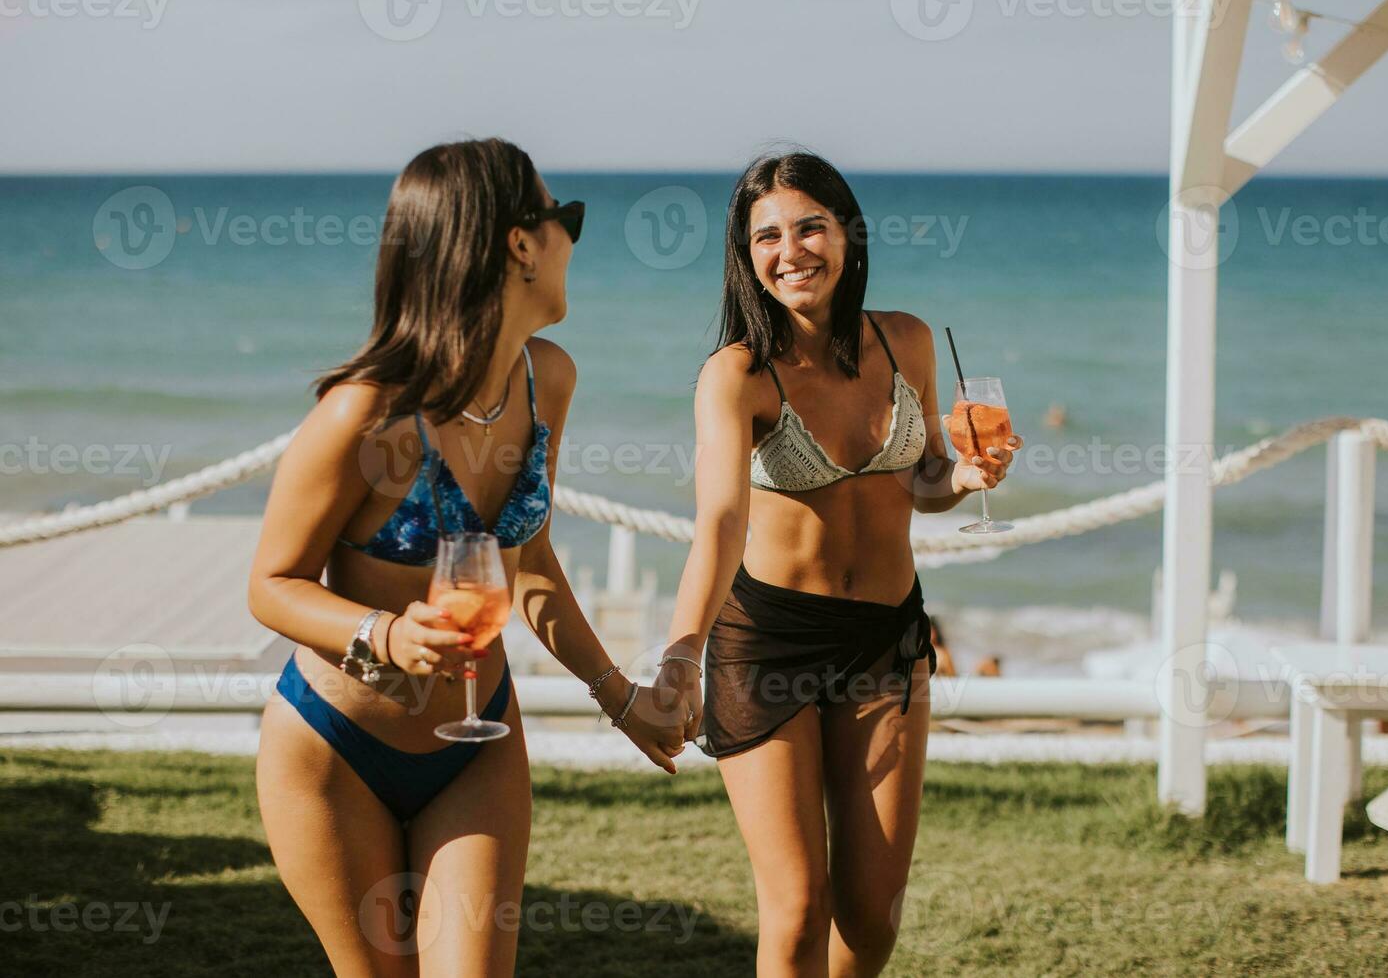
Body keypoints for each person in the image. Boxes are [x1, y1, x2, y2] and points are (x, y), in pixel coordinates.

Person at [247, 138, 685, 978]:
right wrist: (384, 633)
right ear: (521, 242)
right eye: (569, 221)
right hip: (335, 749)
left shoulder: (545, 380)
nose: (572, 243)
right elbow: (271, 584)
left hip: (477, 745)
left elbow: (531, 563)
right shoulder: (365, 415)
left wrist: (618, 694)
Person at [654, 152, 1022, 976]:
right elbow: (718, 522)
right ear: (746, 255)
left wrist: (964, 473)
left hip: (884, 642)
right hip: (769, 645)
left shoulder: (910, 340)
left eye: (810, 226)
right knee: (796, 911)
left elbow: (922, 481)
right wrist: (682, 649)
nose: (793, 251)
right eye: (768, 236)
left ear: (848, 235)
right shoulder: (736, 375)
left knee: (872, 915)